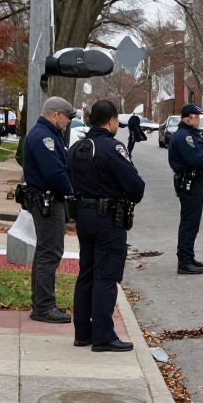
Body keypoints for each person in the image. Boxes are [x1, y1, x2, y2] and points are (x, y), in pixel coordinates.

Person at [68, 100, 145, 352]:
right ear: (111, 121)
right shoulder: (113, 148)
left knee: (86, 272)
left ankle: (83, 332)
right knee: (106, 275)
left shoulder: (78, 146)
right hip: (107, 219)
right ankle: (103, 336)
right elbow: (135, 187)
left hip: (83, 215)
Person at [21, 96, 77, 323]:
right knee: (50, 253)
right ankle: (44, 307)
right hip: (48, 202)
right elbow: (55, 173)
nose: (68, 122)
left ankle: (42, 303)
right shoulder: (44, 137)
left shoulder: (47, 134)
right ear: (55, 115)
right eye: (67, 117)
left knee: (45, 252)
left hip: (45, 201)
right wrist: (72, 193)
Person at [168, 104, 203, 275]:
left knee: (192, 222)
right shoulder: (184, 136)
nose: (199, 119)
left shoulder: (190, 134)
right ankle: (184, 262)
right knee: (189, 222)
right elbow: (197, 160)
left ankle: (189, 257)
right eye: (197, 116)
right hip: (190, 182)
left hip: (194, 182)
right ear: (188, 117)